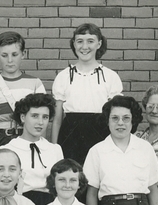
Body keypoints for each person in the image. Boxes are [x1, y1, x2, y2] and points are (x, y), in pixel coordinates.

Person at [50, 23, 123, 165]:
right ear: (73, 44)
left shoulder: (110, 76)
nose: (84, 47)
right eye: (80, 41)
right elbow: (57, 119)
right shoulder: (63, 77)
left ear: (99, 44)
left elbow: (116, 116)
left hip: (100, 133)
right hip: (70, 135)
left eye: (90, 41)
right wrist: (54, 149)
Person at [0, 31, 47, 146]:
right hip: (0, 139)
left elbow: (42, 118)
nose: (10, 60)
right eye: (4, 55)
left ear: (23, 54)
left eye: (15, 55)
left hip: (28, 138)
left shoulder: (35, 83)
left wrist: (41, 145)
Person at [5, 93, 63, 205]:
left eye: (45, 117)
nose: (40, 122)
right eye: (35, 116)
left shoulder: (55, 149)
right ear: (23, 117)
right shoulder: (8, 150)